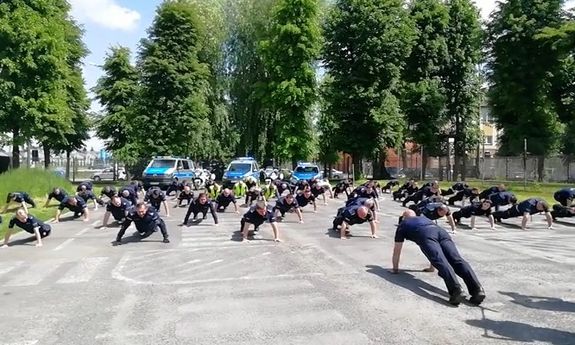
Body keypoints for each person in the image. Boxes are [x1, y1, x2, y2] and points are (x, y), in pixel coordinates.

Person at [392, 210, 485, 306]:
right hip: (441, 232)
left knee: (440, 261)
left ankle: (456, 290)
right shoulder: (424, 219)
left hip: (425, 234)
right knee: (456, 259)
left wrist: (395, 269)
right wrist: (431, 268)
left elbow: (397, 249)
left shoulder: (403, 224)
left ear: (404, 217)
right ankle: (477, 290)